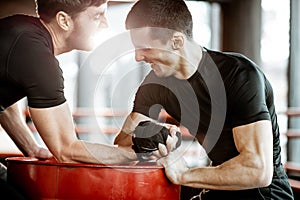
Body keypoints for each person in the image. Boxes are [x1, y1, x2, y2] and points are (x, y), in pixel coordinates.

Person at [114, 0, 294, 199]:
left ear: (176, 41)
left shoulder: (238, 75)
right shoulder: (155, 84)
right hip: (221, 188)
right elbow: (122, 142)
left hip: (265, 195)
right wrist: (150, 135)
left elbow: (257, 170)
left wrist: (183, 174)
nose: (138, 57)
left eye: (145, 48)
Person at [0, 0, 143, 199]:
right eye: (96, 16)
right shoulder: (38, 59)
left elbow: (4, 104)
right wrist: (134, 154)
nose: (106, 24)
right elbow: (67, 150)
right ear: (64, 21)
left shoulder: (23, 34)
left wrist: (31, 147)